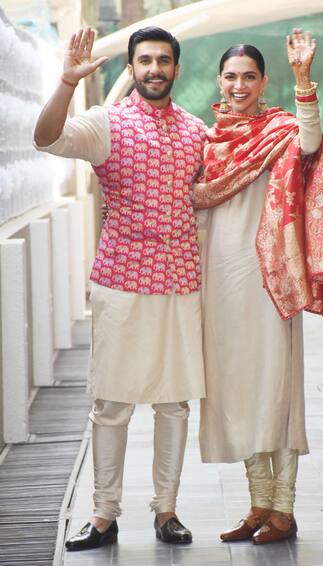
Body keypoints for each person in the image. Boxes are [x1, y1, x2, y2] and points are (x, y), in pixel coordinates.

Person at [34, 26, 206, 550]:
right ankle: (104, 516)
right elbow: (44, 138)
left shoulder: (199, 131)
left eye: (164, 60)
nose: (155, 69)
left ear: (177, 68)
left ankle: (166, 512)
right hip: (121, 282)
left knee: (174, 404)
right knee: (112, 405)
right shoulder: (106, 124)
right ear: (131, 69)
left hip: (180, 281)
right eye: (145, 60)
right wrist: (67, 80)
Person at [193, 29, 323, 544]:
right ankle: (259, 501)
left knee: (275, 387)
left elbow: (310, 143)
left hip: (270, 278)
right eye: (231, 76)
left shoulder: (281, 128)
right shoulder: (209, 140)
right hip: (220, 278)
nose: (239, 85)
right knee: (234, 386)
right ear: (219, 80)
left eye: (249, 77)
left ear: (263, 82)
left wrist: (305, 81)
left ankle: (284, 507)